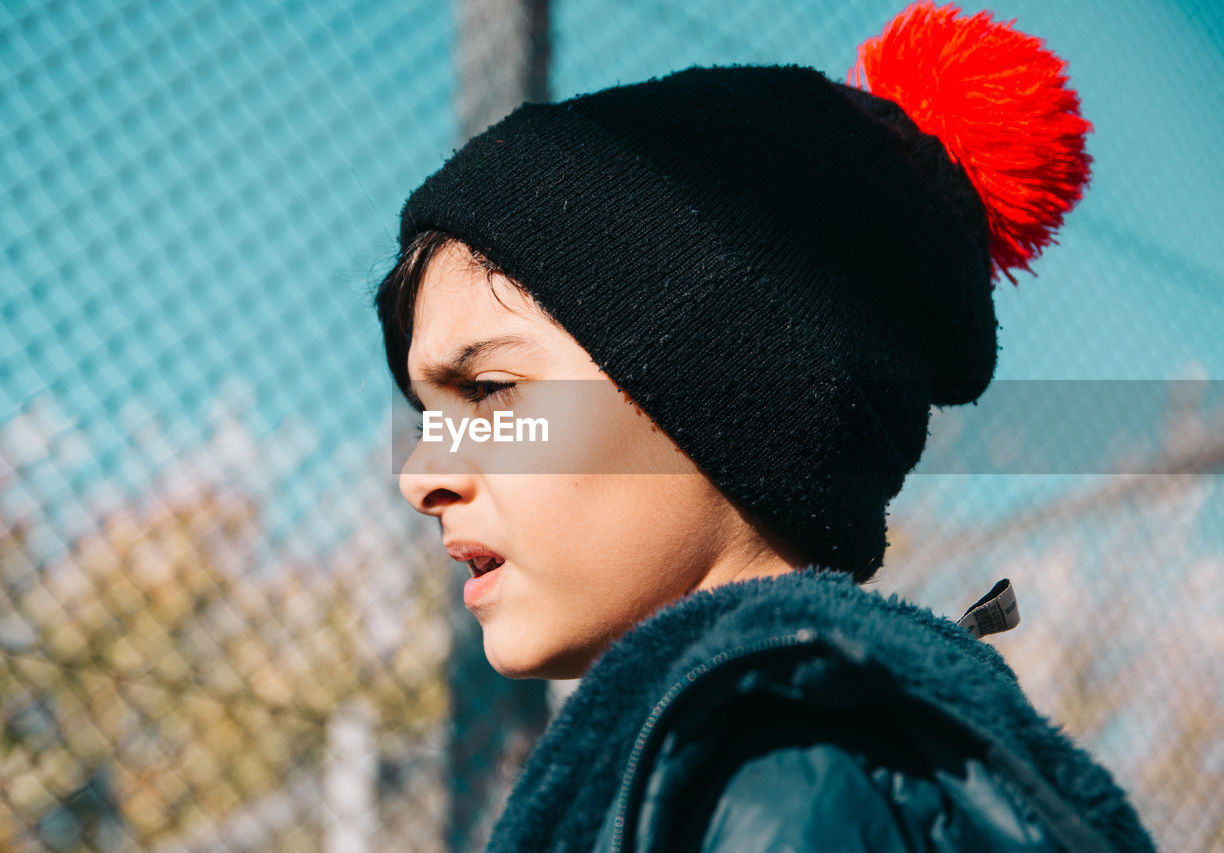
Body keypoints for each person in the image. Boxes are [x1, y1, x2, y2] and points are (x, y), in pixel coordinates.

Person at [375, 1, 1157, 850]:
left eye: (489, 390)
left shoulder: (783, 775)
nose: (422, 476)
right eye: (428, 414)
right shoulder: (764, 760)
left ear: (721, 390)